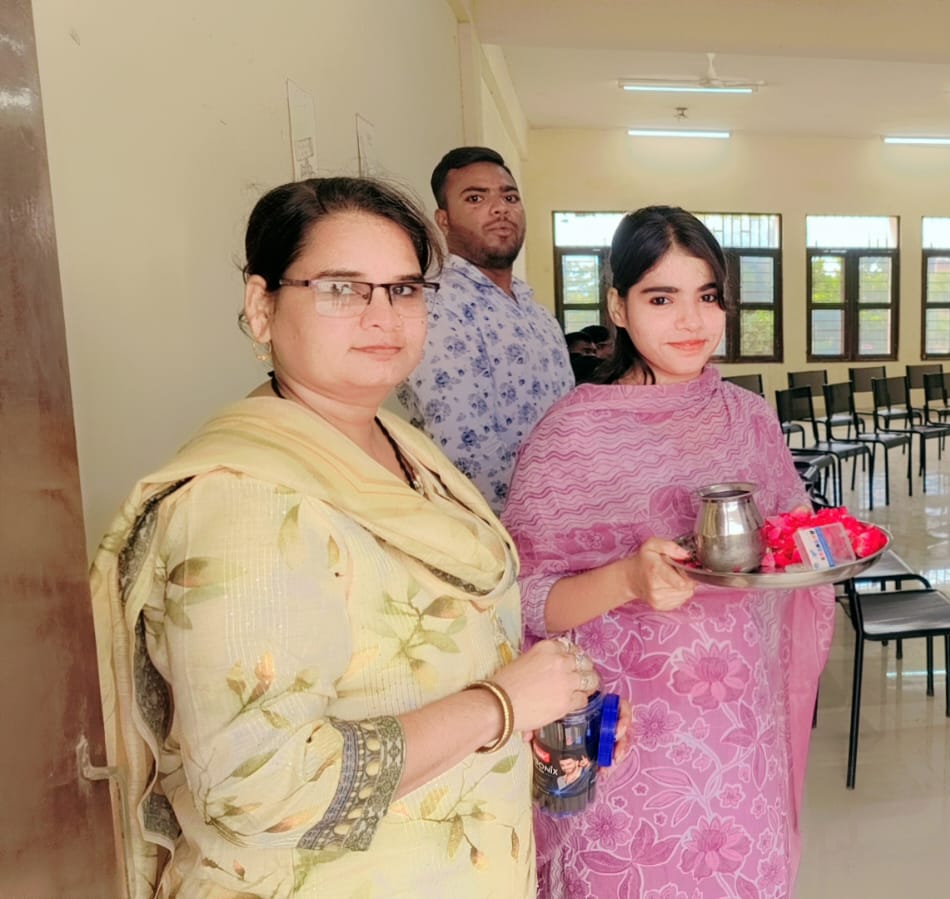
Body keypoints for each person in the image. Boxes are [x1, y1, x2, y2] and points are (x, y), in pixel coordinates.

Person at [88, 177, 600, 898]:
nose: (381, 315)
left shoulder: (397, 443)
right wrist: (501, 705)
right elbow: (258, 790)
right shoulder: (244, 504)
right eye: (340, 288)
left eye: (403, 289)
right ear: (262, 306)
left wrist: (536, 715)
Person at [501, 206, 834, 899]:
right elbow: (523, 601)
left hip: (742, 732)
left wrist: (825, 544)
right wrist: (627, 577)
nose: (691, 321)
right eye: (661, 298)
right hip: (625, 742)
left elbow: (793, 539)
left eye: (707, 296)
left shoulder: (747, 417)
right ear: (617, 307)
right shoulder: (572, 434)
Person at [396, 146, 573, 513]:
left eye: (510, 197)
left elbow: (569, 425)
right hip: (488, 529)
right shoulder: (435, 306)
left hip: (562, 519)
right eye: (476, 198)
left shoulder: (539, 315)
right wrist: (539, 521)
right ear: (443, 220)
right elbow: (466, 455)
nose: (500, 209)